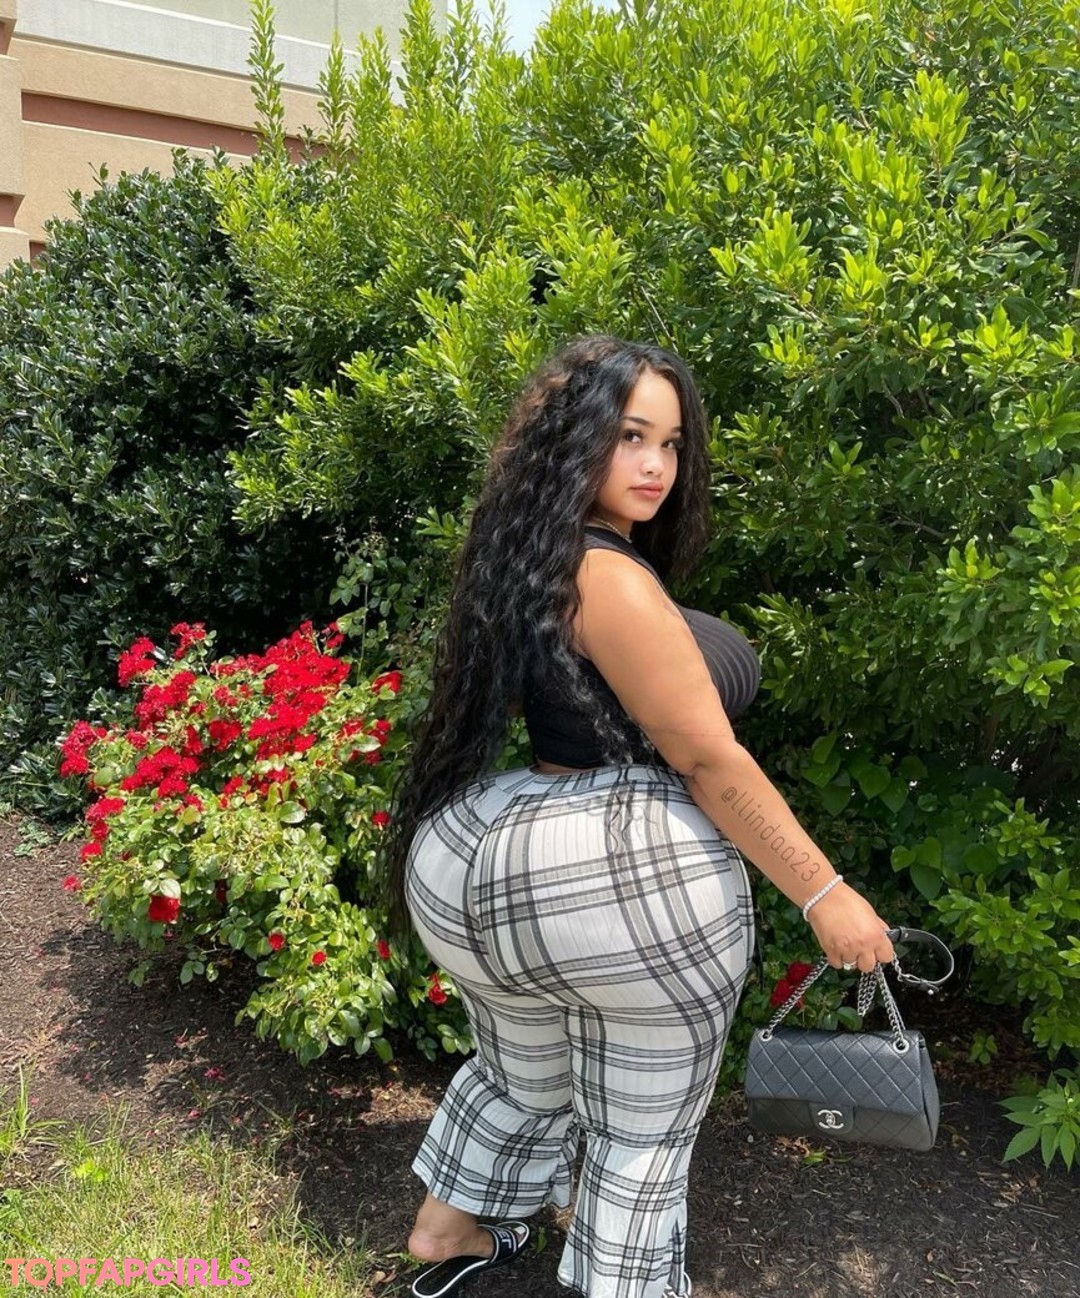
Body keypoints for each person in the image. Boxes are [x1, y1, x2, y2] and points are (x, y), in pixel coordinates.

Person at [380, 334, 895, 1298]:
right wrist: (825, 893)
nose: (657, 465)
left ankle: (446, 1230)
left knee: (520, 1074)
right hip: (622, 881)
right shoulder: (609, 576)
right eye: (629, 437)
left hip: (482, 864)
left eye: (671, 443)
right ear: (574, 440)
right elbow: (706, 759)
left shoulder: (528, 558)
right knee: (641, 1128)